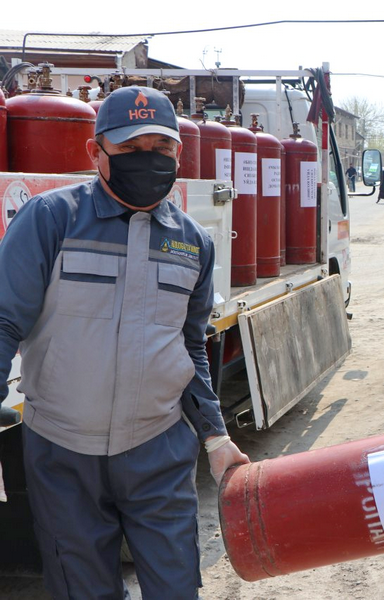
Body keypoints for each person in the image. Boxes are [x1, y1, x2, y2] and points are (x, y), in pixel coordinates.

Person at [0, 86, 250, 599]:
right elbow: (3, 322)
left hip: (157, 451)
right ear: (96, 152)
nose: (148, 160)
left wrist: (215, 436)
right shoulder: (51, 220)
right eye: (131, 149)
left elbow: (191, 346)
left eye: (160, 148)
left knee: (177, 588)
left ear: (178, 153)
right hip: (63, 453)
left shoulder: (193, 242)